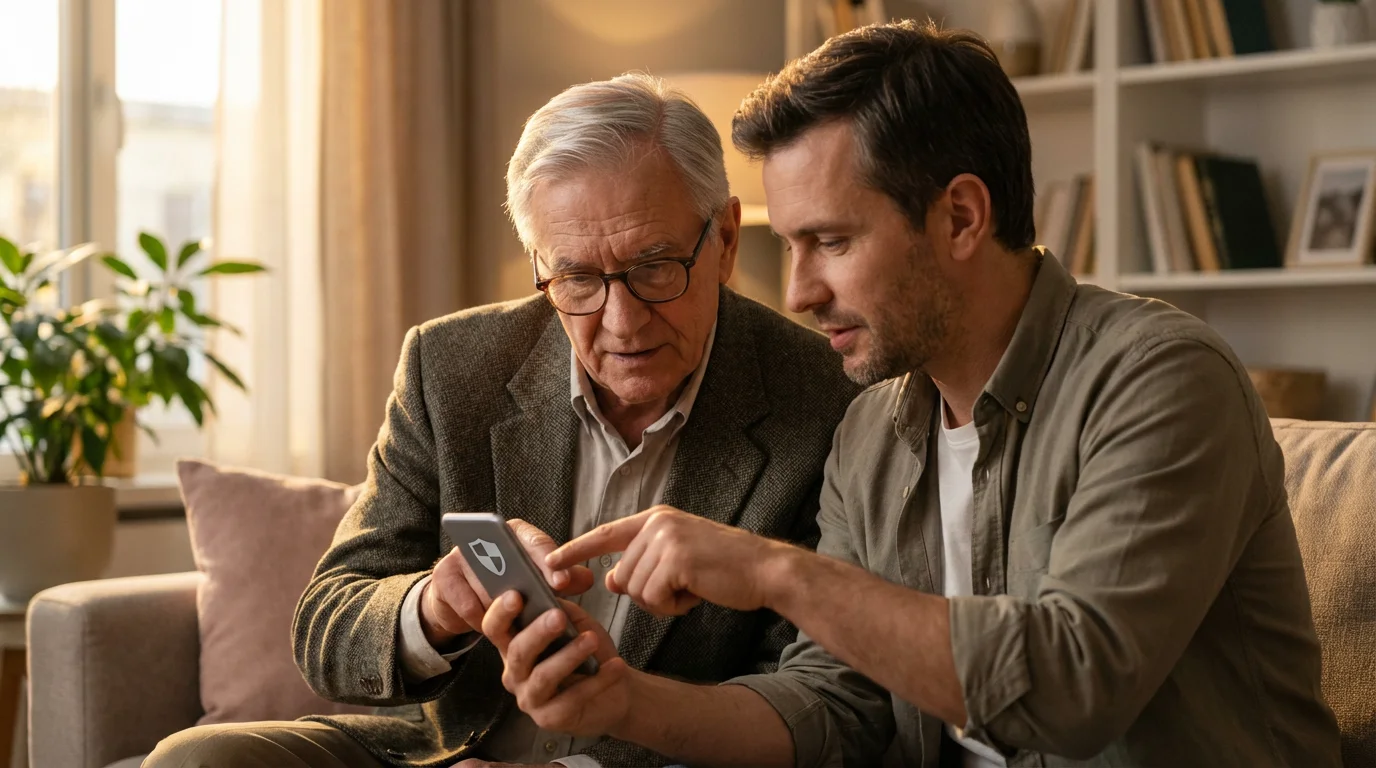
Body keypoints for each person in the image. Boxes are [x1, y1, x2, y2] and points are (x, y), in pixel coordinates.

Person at [492, 21, 1344, 767]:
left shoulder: (1160, 379)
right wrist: (623, 703)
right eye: (790, 246)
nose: (797, 292)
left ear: (962, 218)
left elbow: (1074, 687)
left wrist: (773, 572)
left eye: (830, 241)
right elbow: (839, 709)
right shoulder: (871, 431)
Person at [144, 73, 858, 768]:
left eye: (655, 266)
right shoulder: (451, 366)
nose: (622, 320)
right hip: (438, 751)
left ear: (726, 240)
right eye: (577, 278)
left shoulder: (823, 397)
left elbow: (800, 696)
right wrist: (433, 607)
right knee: (200, 759)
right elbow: (327, 625)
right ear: (539, 265)